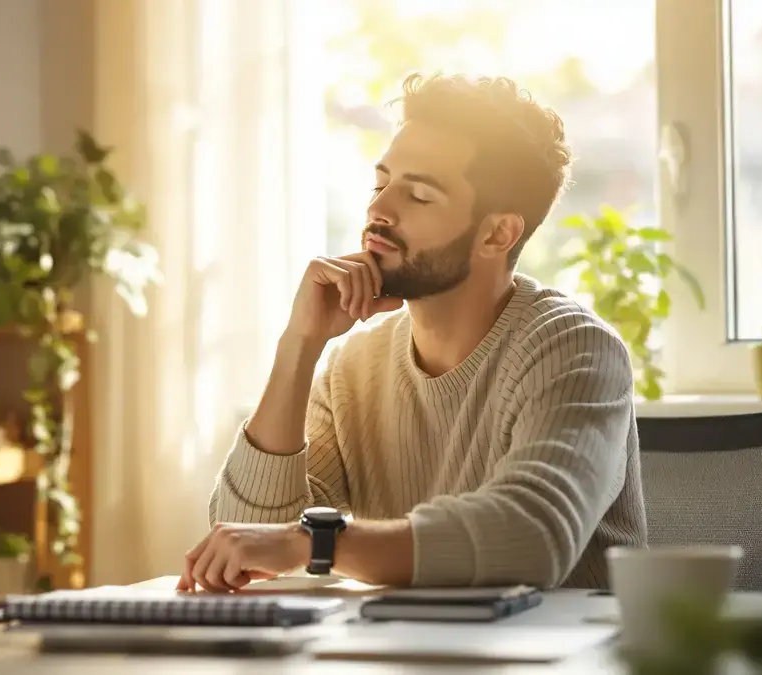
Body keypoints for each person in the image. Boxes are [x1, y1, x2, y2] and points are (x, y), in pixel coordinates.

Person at [177, 73, 647, 593]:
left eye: (419, 195)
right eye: (381, 185)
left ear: (497, 233)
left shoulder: (576, 350)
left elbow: (531, 539)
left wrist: (317, 543)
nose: (378, 210)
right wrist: (299, 346)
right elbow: (250, 542)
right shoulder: (353, 367)